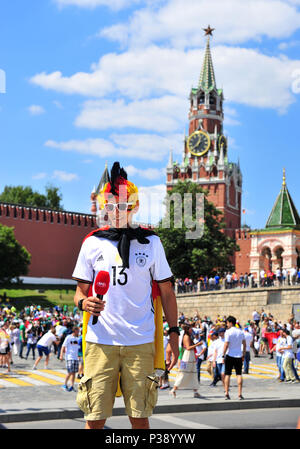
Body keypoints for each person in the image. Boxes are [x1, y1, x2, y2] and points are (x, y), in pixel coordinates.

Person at [72, 162, 179, 430]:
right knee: (94, 419)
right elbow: (79, 292)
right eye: (110, 206)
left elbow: (167, 291)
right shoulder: (92, 242)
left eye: (122, 206)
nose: (116, 212)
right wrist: (84, 303)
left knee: (140, 418)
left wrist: (173, 335)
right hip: (100, 342)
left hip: (140, 341)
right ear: (104, 206)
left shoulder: (151, 242)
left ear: (133, 207)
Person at [170, 324, 201, 398]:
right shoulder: (186, 337)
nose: (192, 330)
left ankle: (195, 391)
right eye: (190, 329)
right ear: (188, 329)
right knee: (184, 373)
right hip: (187, 356)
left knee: (192, 372)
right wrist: (197, 344)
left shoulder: (188, 336)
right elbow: (188, 347)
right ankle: (174, 389)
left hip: (190, 356)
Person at [222, 316, 246, 400]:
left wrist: (222, 355)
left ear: (230, 323)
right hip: (238, 355)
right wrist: (243, 354)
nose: (227, 324)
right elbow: (244, 344)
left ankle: (227, 393)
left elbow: (226, 344)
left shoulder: (228, 332)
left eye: (227, 323)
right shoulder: (240, 332)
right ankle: (239, 394)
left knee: (227, 374)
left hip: (230, 354)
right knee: (239, 374)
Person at [60, 326, 80, 392]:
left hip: (76, 358)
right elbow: (63, 346)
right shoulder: (68, 337)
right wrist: (61, 355)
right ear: (74, 331)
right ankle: (64, 385)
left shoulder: (77, 338)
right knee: (70, 372)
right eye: (78, 331)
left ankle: (71, 386)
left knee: (74, 373)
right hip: (69, 357)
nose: (79, 332)